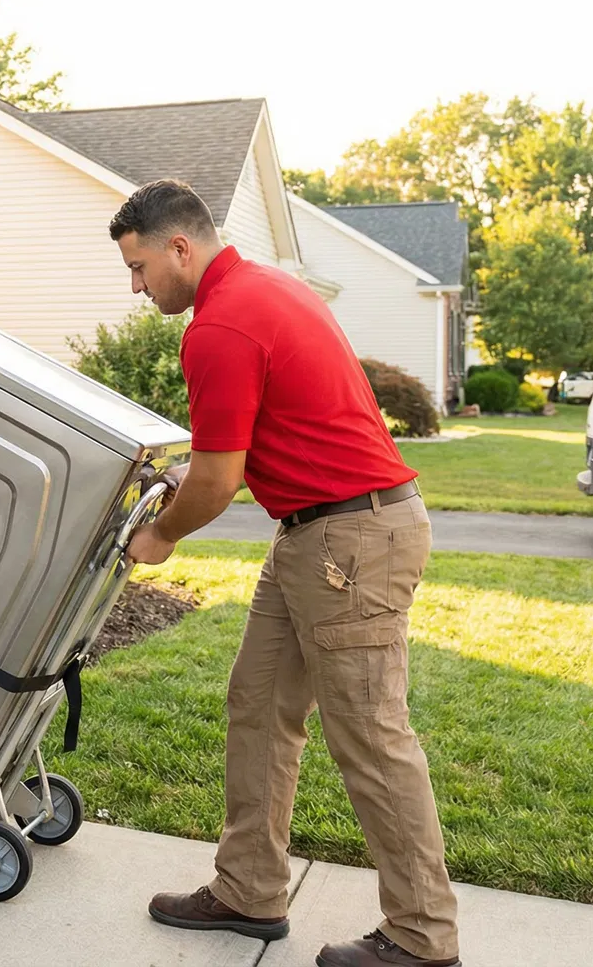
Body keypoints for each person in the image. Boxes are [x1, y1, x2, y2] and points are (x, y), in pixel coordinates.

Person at [113, 180, 461, 967]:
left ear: (179, 247)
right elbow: (255, 442)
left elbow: (218, 478)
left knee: (372, 739)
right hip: (316, 534)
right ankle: (249, 890)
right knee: (260, 703)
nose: (136, 287)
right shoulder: (269, 287)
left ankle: (422, 940)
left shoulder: (221, 325)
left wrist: (161, 535)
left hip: (348, 543)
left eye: (139, 268)